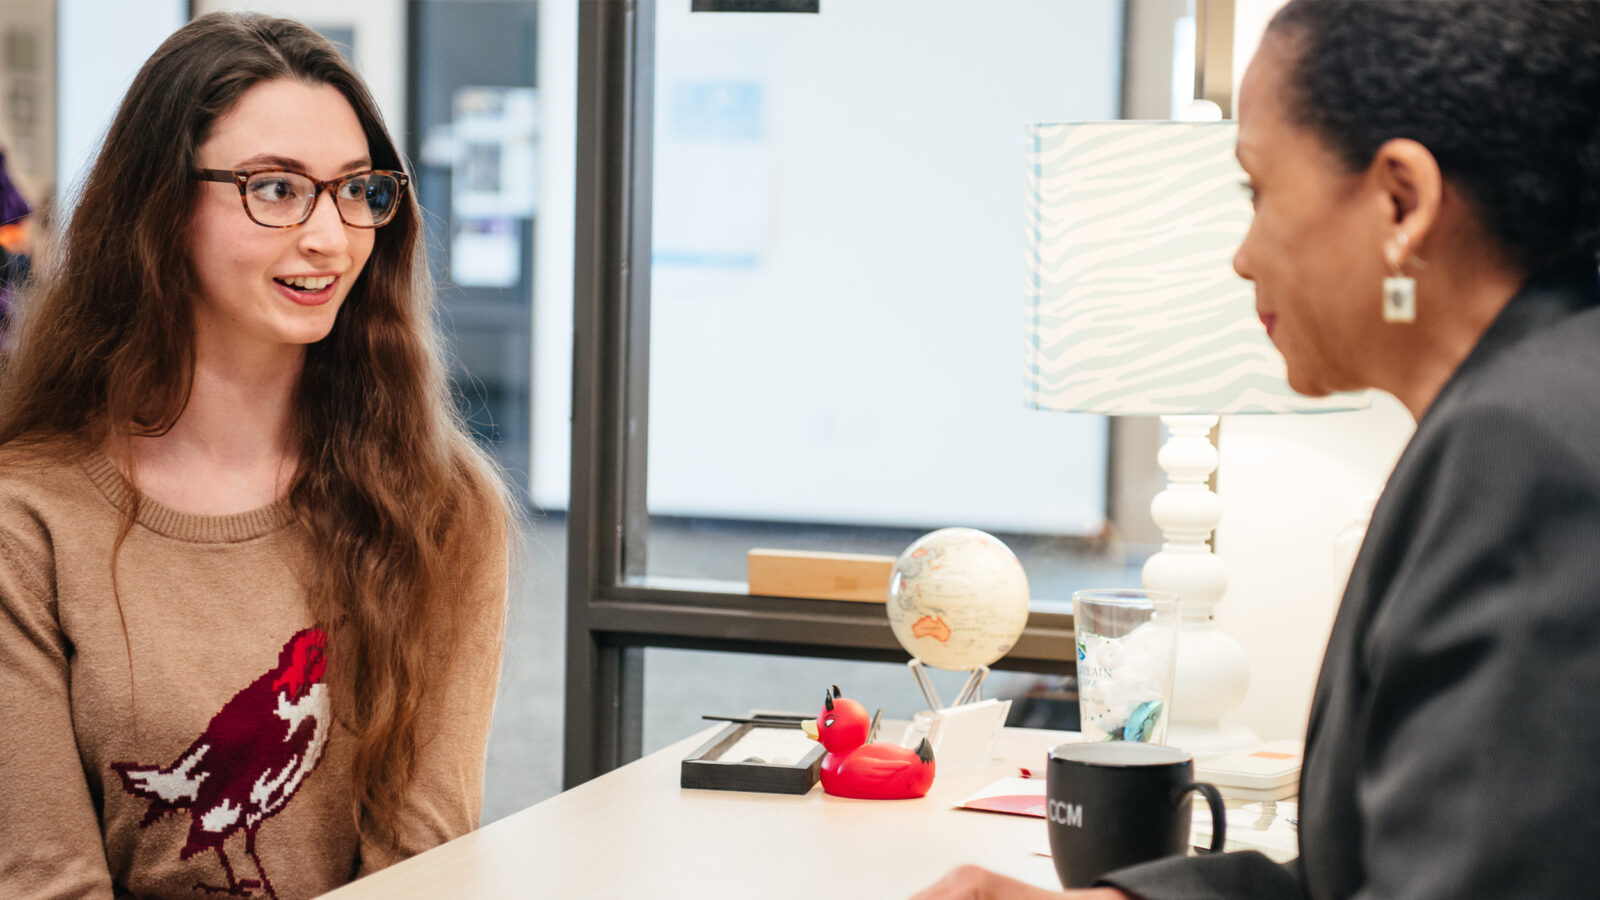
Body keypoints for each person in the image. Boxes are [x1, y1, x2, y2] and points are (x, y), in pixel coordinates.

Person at [913, 0, 1600, 897]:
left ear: (1402, 200)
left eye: (1257, 190)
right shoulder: (1526, 403)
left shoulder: (1521, 452)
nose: (1241, 256)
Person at [0, 13, 511, 899]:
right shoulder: (28, 518)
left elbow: (421, 868)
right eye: (275, 189)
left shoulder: (438, 506)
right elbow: (44, 878)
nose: (329, 236)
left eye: (358, 190)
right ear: (159, 206)